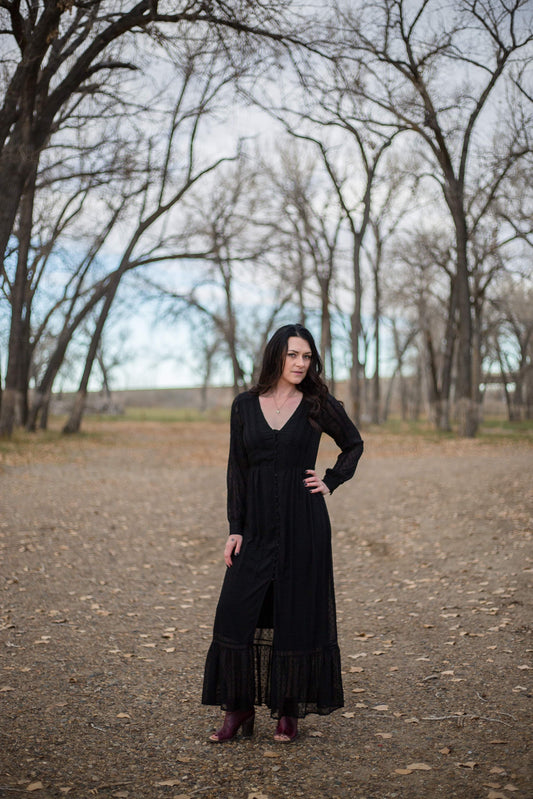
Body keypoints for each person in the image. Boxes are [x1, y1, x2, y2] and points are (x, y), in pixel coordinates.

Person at [202, 323, 364, 742]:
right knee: (236, 612)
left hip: (304, 525)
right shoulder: (244, 405)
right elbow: (236, 469)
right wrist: (235, 529)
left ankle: (288, 710)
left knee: (295, 613)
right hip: (255, 528)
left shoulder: (317, 404)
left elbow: (353, 443)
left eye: (307, 356)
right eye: (293, 354)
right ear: (276, 355)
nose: (300, 363)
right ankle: (238, 709)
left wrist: (331, 480)